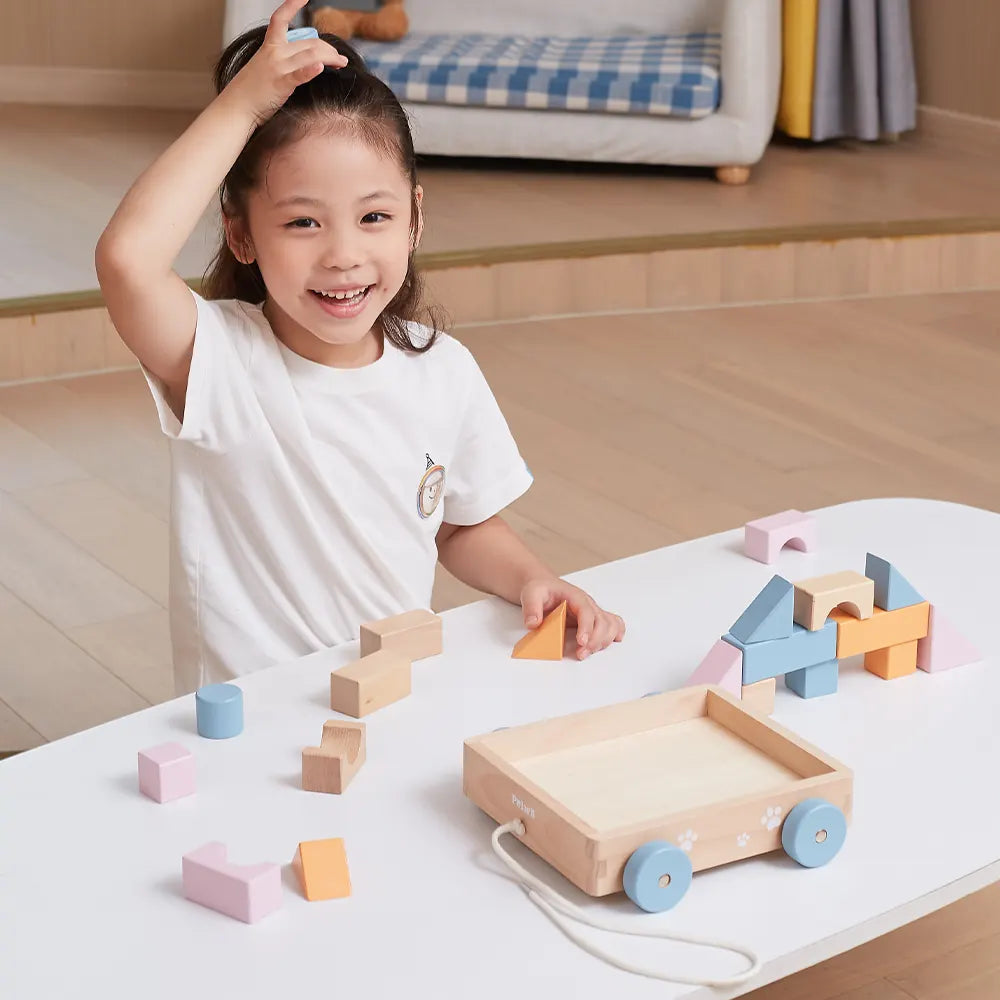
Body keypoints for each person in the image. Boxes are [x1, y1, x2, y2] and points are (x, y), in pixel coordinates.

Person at [95, 0, 625, 695]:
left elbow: (459, 527)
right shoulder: (220, 361)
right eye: (303, 222)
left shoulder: (442, 370)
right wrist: (243, 105)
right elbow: (128, 259)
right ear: (242, 234)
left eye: (375, 216)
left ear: (415, 219)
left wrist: (534, 579)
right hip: (247, 728)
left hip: (393, 696)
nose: (344, 255)